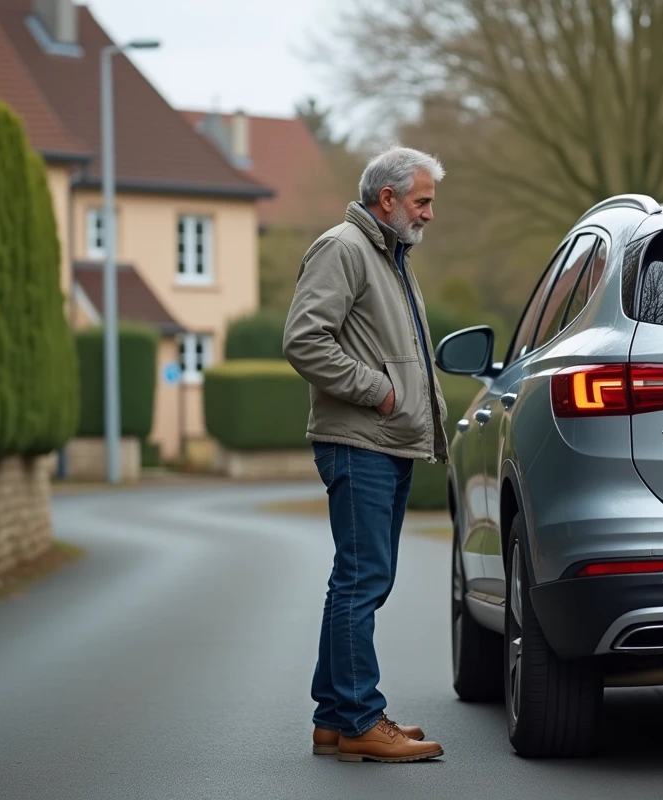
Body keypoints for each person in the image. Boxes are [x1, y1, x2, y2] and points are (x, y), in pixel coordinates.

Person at [283, 146, 450, 763]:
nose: (430, 213)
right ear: (388, 199)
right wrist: (378, 391)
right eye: (422, 201)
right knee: (363, 580)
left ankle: (335, 716)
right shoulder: (345, 249)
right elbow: (304, 339)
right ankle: (359, 717)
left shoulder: (391, 256)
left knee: (358, 580)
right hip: (360, 443)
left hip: (384, 441)